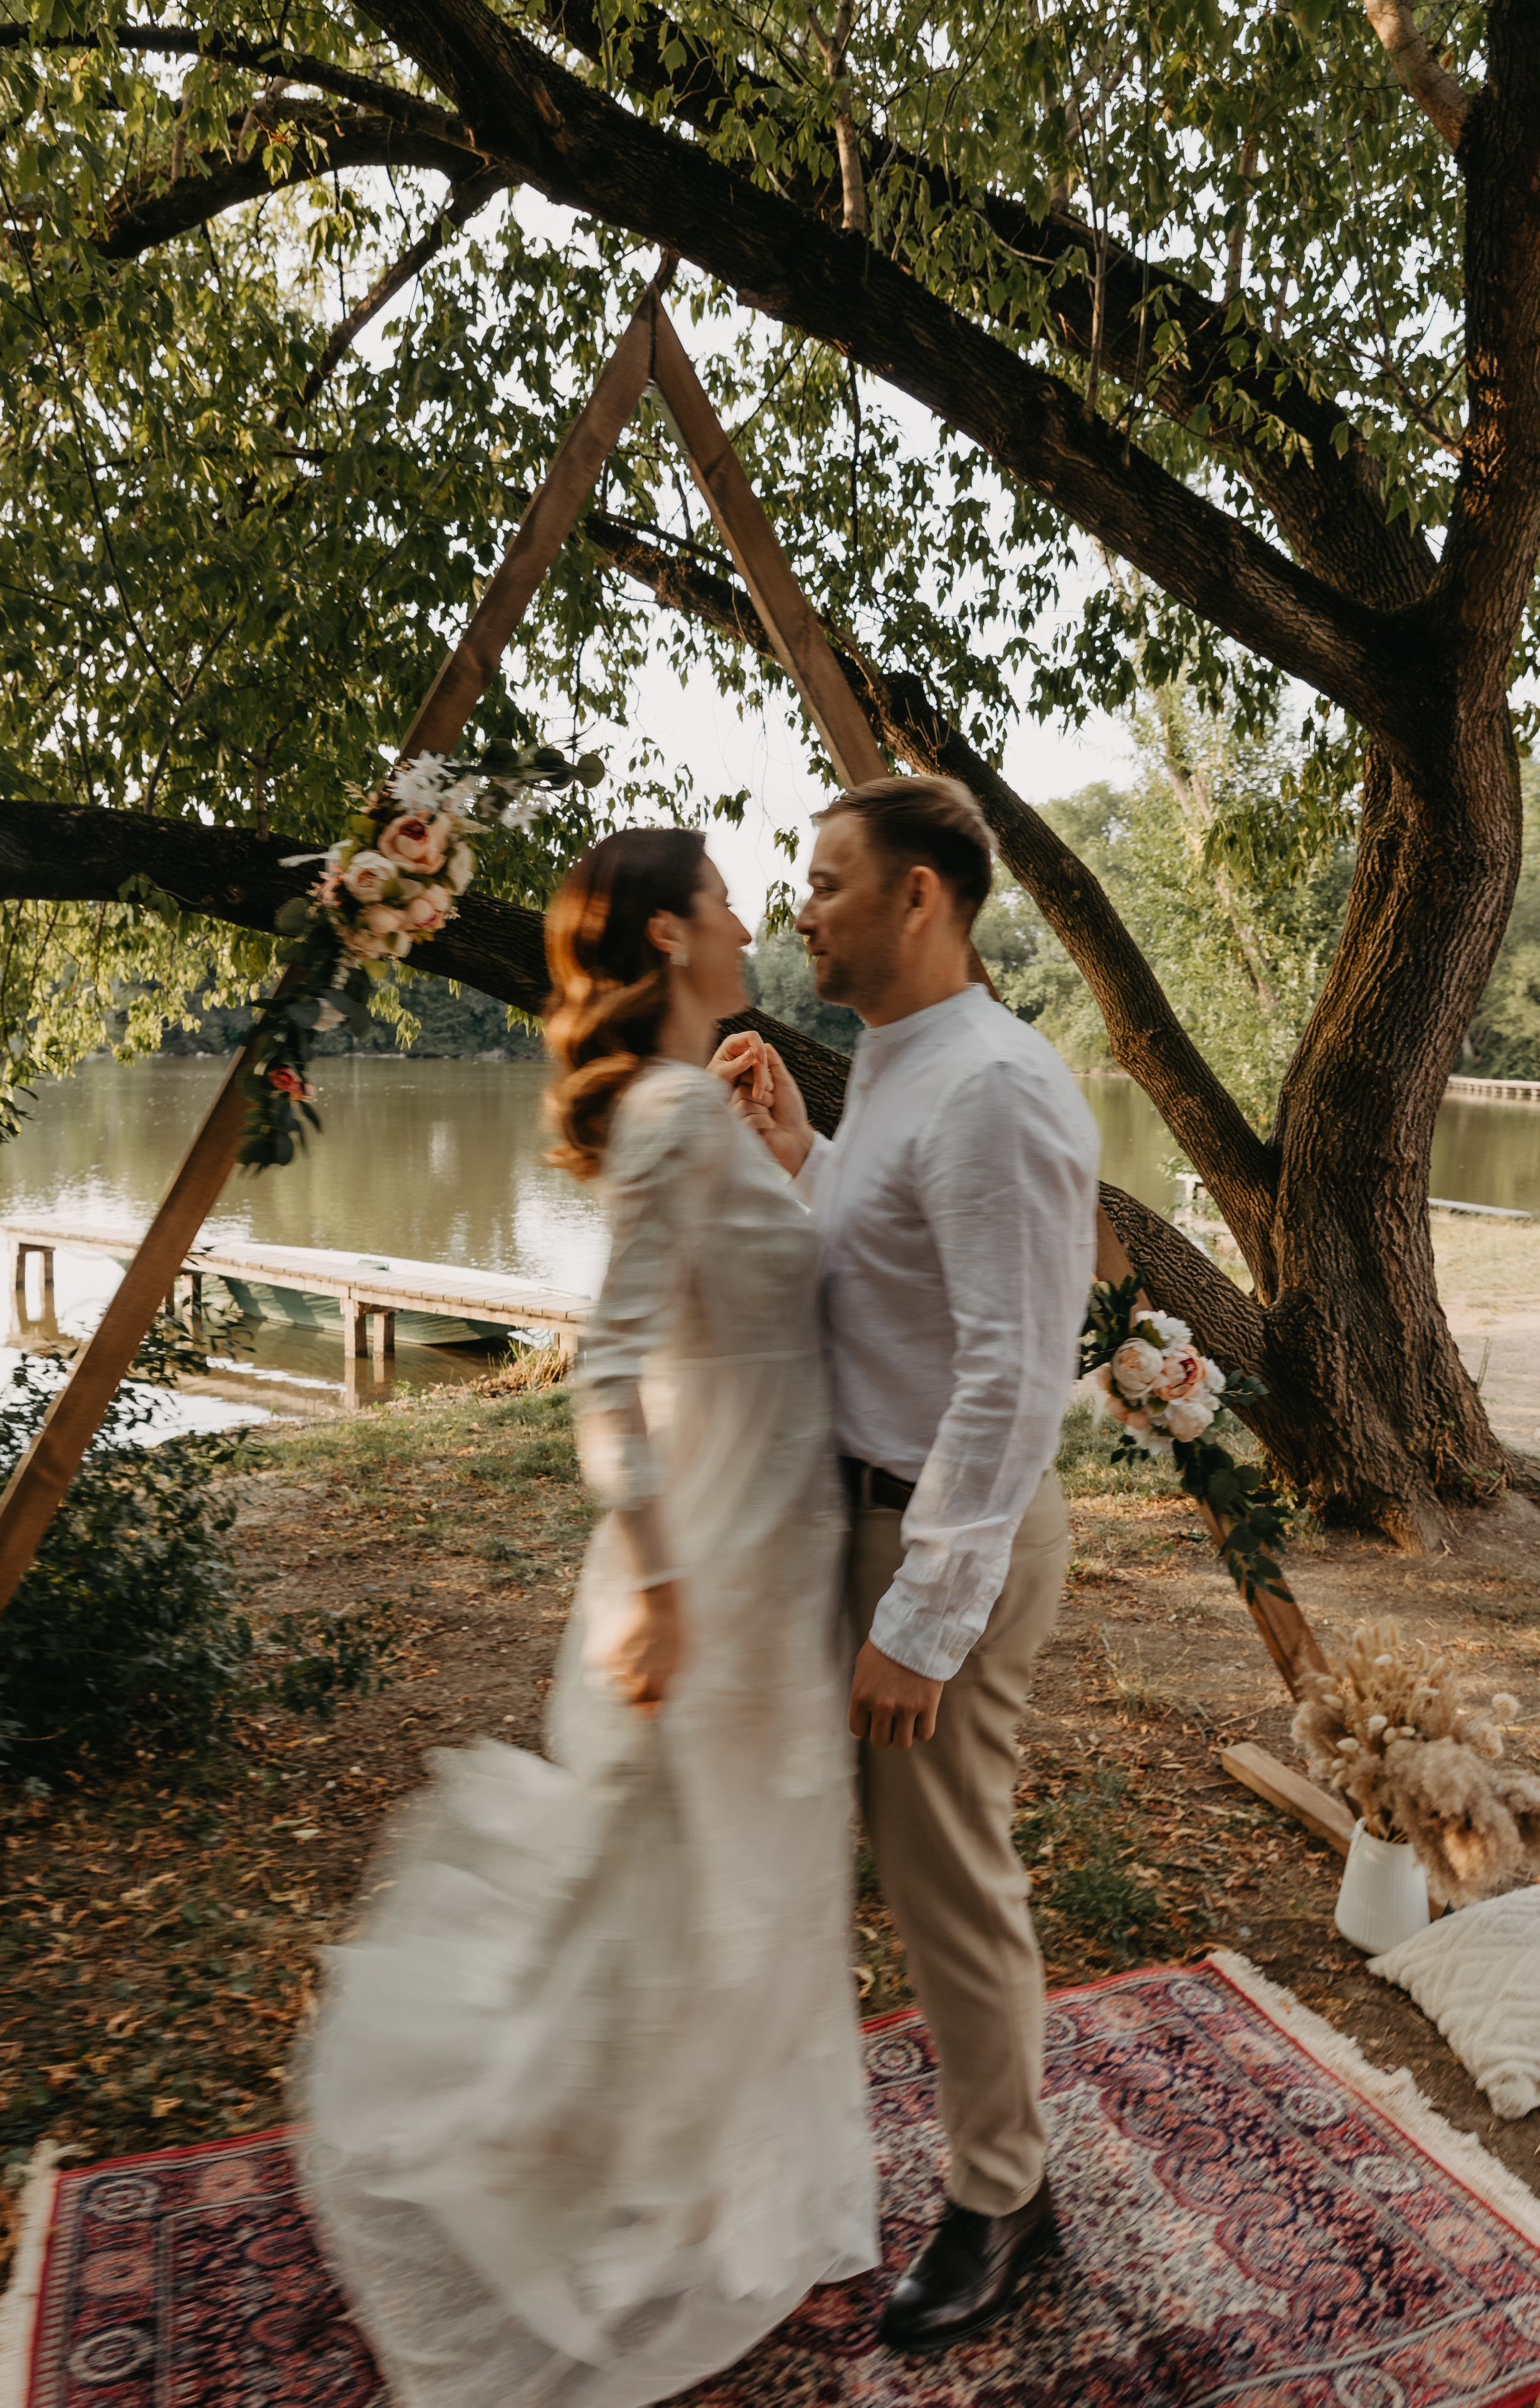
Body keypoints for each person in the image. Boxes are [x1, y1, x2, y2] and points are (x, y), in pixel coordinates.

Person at [298, 828, 877, 2408]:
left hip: (773, 1536)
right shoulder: (667, 1117)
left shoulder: (703, 1116)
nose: (755, 914)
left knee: (751, 1865)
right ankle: (607, 2173)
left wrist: (794, 1147)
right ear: (675, 937)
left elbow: (775, 1305)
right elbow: (609, 1377)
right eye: (727, 898)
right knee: (701, 1867)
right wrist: (667, 1586)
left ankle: (719, 2174)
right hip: (713, 1562)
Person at [716, 774, 1100, 2357]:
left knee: (948, 1886)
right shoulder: (898, 1063)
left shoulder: (997, 1088)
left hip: (942, 1535)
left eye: (821, 881)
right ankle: (1007, 2175)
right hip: (872, 1512)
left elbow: (1012, 1370)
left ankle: (999, 2200)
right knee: (914, 1870)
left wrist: (921, 1618)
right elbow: (891, 1286)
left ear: (917, 899)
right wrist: (803, 1155)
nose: (796, 907)